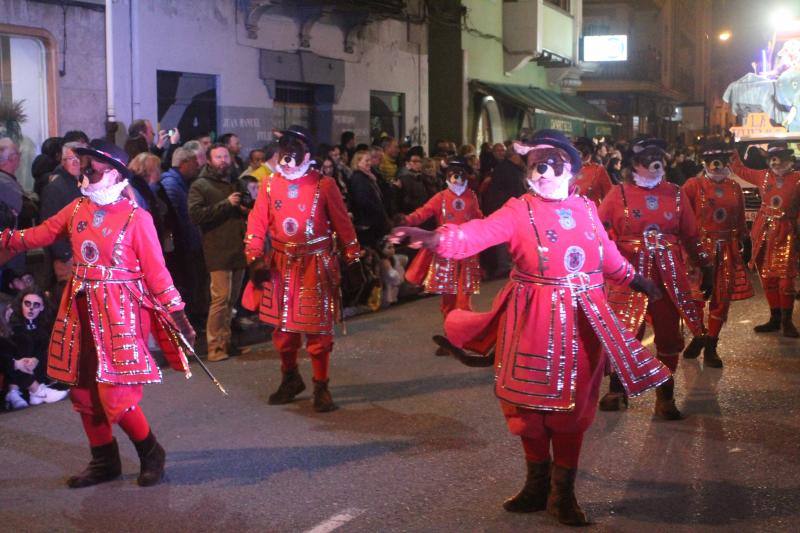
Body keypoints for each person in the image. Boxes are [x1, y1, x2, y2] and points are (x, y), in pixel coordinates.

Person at [390, 129, 668, 527]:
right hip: (531, 318)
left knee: (573, 409)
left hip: (583, 320)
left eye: (551, 164)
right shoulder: (518, 209)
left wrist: (635, 279)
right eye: (535, 165)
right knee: (529, 405)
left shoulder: (588, 208)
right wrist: (433, 237)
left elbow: (606, 255)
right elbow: (476, 234)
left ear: (570, 169)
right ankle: (536, 486)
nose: (542, 172)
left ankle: (562, 494)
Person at [0, 138, 196, 488]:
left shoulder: (138, 218)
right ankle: (104, 460)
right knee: (83, 390)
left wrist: (176, 312)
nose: (85, 173)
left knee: (116, 396)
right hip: (78, 309)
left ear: (114, 173)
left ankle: (151, 451)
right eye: (84, 166)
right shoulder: (76, 209)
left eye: (92, 168)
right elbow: (40, 235)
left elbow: (157, 272)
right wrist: (7, 238)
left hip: (120, 312)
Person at [241, 125, 361, 412]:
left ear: (306, 154)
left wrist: (353, 259)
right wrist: (255, 258)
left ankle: (321, 385)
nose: (287, 158)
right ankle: (290, 378)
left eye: (293, 151)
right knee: (284, 329)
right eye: (284, 151)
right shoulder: (269, 185)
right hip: (281, 264)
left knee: (317, 330)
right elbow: (257, 223)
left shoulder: (325, 185)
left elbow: (343, 224)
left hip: (316, 264)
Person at [598, 136, 712, 419]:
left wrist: (705, 266)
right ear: (634, 163)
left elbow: (690, 234)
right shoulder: (618, 194)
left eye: (659, 155)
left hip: (667, 276)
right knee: (625, 332)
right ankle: (617, 388)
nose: (655, 161)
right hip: (628, 274)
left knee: (668, 334)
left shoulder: (675, 193)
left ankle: (665, 396)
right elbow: (597, 233)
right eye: (647, 156)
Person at [400, 156, 483, 355]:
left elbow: (480, 218)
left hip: (466, 254)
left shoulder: (471, 197)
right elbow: (424, 212)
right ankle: (451, 339)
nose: (456, 178)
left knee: (463, 301)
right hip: (446, 255)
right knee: (448, 300)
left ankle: (463, 338)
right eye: (453, 174)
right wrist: (406, 219)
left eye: (460, 174)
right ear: (447, 176)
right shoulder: (441, 197)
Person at [681, 142, 753, 367]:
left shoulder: (734, 187)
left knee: (721, 298)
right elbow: (681, 216)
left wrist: (744, 240)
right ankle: (699, 334)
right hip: (699, 250)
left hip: (727, 248)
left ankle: (711, 345)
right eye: (711, 160)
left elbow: (740, 219)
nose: (716, 164)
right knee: (693, 297)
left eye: (720, 159)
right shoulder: (693, 185)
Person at [729, 141, 800, 337]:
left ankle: (787, 321)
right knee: (767, 277)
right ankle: (775, 318)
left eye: (779, 158)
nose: (776, 162)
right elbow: (739, 169)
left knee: (785, 280)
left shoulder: (798, 179)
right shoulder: (763, 176)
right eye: (772, 158)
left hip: (786, 233)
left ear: (788, 159)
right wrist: (733, 152)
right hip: (763, 232)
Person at [188, 143, 248, 362]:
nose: (223, 160)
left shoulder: (237, 181)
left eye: (225, 156)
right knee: (220, 299)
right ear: (209, 160)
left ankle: (226, 342)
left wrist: (245, 207)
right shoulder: (201, 185)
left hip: (238, 247)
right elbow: (195, 215)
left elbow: (248, 207)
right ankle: (214, 347)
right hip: (217, 248)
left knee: (231, 300)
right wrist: (226, 204)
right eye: (218, 156)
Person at [159, 147, 206, 325]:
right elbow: (182, 217)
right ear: (184, 163)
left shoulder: (181, 183)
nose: (196, 166)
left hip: (188, 242)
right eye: (194, 163)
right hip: (182, 245)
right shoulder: (172, 184)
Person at [4, 286, 69, 409]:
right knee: (20, 344)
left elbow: (44, 349)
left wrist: (36, 359)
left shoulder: (42, 325)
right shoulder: (13, 323)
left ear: (42, 307)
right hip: (16, 366)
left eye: (36, 305)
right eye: (27, 303)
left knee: (47, 347)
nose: (31, 308)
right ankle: (34, 390)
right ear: (21, 304)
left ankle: (17, 391)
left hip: (36, 369)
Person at [40, 141, 87, 298]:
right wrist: (66, 255)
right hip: (68, 260)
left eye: (79, 158)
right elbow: (49, 227)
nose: (75, 162)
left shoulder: (87, 184)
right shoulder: (55, 188)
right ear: (62, 161)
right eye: (70, 158)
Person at [573, 137, 613, 205]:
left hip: (592, 212)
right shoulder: (569, 169)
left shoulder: (598, 170)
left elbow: (609, 195)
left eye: (579, 153)